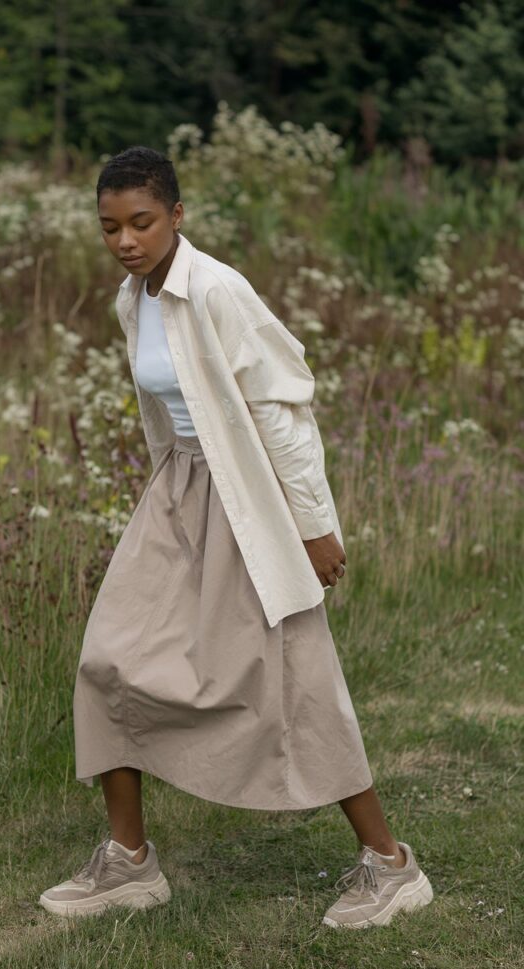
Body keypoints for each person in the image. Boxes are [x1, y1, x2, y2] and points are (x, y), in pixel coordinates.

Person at [39, 146, 434, 928]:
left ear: (177, 216)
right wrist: (166, 490)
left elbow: (284, 417)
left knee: (296, 677)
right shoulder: (133, 298)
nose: (125, 240)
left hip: (250, 504)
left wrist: (315, 527)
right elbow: (171, 419)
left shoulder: (217, 290)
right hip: (177, 495)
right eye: (110, 227)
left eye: (142, 222)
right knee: (106, 659)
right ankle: (129, 864)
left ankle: (391, 866)